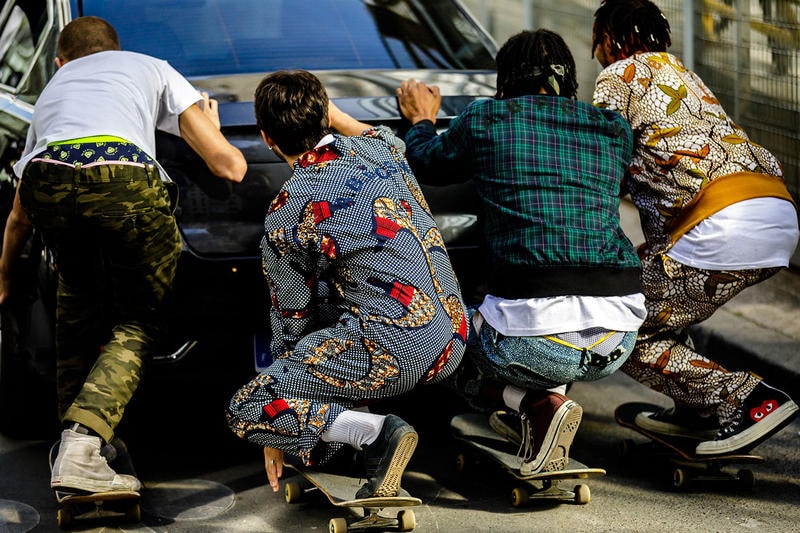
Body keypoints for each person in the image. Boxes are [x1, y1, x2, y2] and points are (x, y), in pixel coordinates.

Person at [0, 16, 247, 494]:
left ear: (60, 60)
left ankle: (81, 452)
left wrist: (5, 277)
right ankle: (84, 444)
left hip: (48, 179)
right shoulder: (152, 66)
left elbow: (18, 216)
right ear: (116, 49)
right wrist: (209, 125)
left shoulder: (52, 90)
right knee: (139, 322)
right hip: (123, 178)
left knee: (75, 308)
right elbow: (230, 166)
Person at [395, 29, 646, 475]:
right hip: (617, 336)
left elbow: (428, 163)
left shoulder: (486, 119)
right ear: (569, 80)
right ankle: (546, 410)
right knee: (548, 316)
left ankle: (537, 405)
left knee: (447, 347)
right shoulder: (613, 129)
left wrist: (421, 120)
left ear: (503, 82)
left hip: (533, 337)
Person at [225, 70, 467, 497]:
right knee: (345, 309)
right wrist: (329, 113)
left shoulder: (288, 208)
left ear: (266, 138)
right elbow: (380, 134)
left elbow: (291, 318)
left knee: (246, 408)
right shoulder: (381, 152)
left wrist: (284, 409)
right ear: (325, 115)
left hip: (397, 350)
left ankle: (375, 433)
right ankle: (355, 429)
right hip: (453, 337)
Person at [591, 0, 799, 455]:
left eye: (598, 44)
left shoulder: (619, 75)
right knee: (657, 295)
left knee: (615, 324)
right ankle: (695, 408)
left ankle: (741, 396)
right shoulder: (682, 73)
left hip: (722, 228)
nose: (599, 55)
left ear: (610, 38)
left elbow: (603, 160)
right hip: (773, 210)